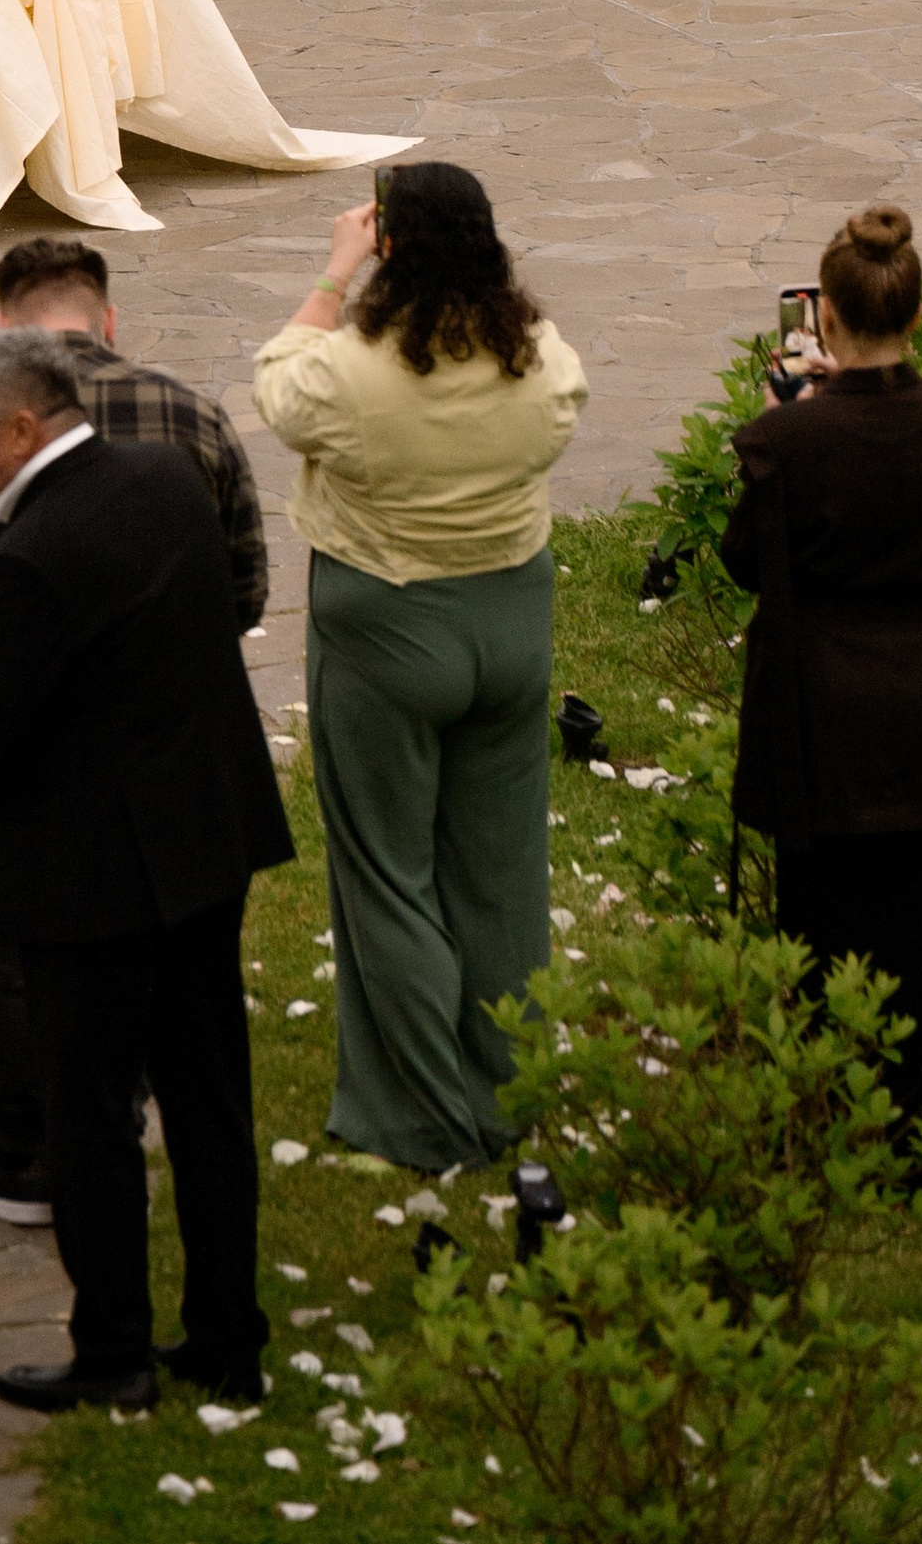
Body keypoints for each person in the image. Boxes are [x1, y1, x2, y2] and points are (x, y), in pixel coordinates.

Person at [0, 331, 292, 1417]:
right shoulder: (161, 474)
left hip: (92, 875)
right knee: (206, 1098)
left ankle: (113, 1352)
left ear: (21, 429)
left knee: (89, 1114)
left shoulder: (35, 554)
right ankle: (229, 1335)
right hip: (202, 835)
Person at [0, 235, 268, 1231]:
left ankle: (32, 1157)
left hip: (39, 794)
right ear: (103, 321)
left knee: (37, 997)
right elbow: (241, 591)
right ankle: (224, 1327)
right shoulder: (186, 428)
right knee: (203, 1068)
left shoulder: (0, 505)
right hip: (183, 784)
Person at [251, 170, 586, 1177]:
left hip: (387, 625)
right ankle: (505, 1092)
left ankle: (422, 1116)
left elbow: (277, 382)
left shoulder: (351, 372)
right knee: (499, 876)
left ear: (389, 248)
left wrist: (334, 270)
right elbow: (561, 389)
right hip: (509, 621)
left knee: (387, 873)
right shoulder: (540, 363)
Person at [722, 204, 922, 1169]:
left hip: (826, 705)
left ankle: (827, 1136)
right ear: (919, 313)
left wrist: (777, 424)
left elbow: (744, 563)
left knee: (823, 918)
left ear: (828, 322)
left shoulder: (791, 442)